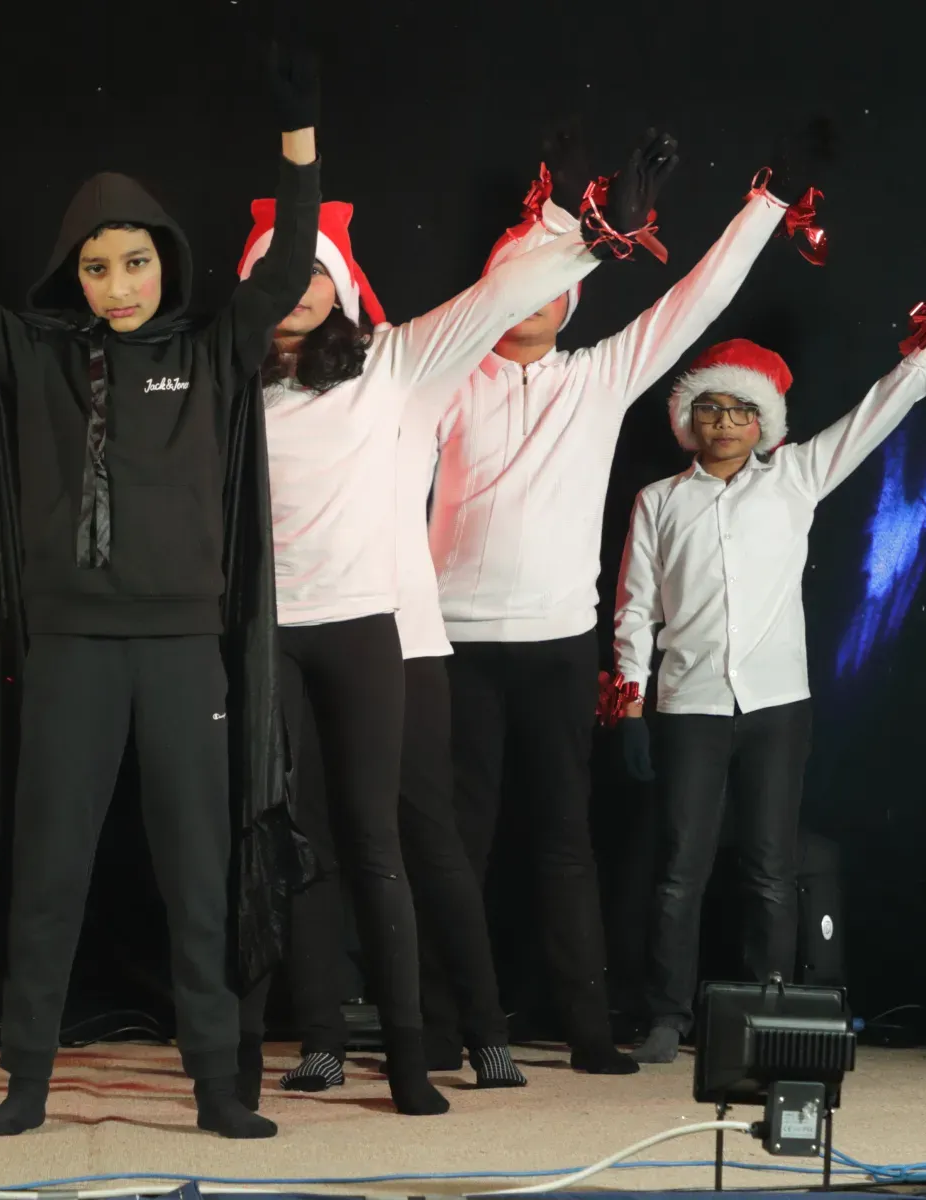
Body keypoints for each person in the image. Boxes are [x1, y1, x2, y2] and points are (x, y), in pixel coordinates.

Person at [0, 42, 323, 1139]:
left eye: (135, 263)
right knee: (51, 872)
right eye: (98, 268)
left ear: (165, 262)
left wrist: (298, 141)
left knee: (198, 875)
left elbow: (286, 272)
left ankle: (217, 1087)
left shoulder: (215, 348)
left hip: (185, 656)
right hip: (72, 654)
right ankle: (28, 1083)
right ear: (73, 274)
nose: (119, 285)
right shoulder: (33, 353)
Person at [425, 147, 824, 1075]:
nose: (529, 302)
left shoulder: (598, 376)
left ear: (570, 297)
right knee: (455, 839)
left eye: (547, 284)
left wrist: (766, 207)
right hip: (452, 641)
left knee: (565, 841)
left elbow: (695, 300)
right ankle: (443, 1021)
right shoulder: (442, 374)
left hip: (560, 645)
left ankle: (587, 1028)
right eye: (513, 285)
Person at [234, 171, 617, 1105]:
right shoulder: (238, 388)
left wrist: (576, 230)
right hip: (289, 638)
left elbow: (500, 296)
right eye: (276, 273)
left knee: (424, 841)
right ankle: (323, 1035)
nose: (295, 290)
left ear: (340, 284)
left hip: (398, 636)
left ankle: (483, 1031)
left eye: (312, 272)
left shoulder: (399, 366)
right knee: (306, 839)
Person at [614, 255, 926, 1063]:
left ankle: (770, 1009)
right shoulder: (658, 502)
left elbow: (874, 415)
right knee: (679, 868)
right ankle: (665, 1016)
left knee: (769, 865)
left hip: (777, 706)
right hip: (690, 704)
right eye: (710, 409)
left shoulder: (794, 477)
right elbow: (635, 609)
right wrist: (630, 703)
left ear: (764, 423)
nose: (724, 423)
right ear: (688, 420)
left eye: (740, 411)